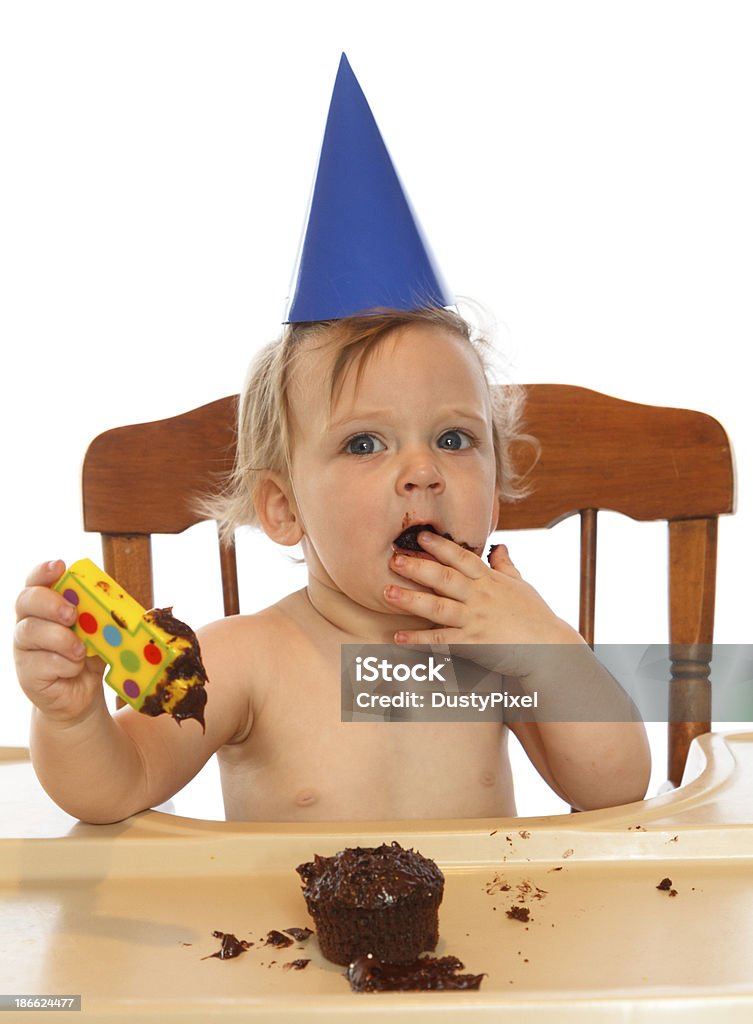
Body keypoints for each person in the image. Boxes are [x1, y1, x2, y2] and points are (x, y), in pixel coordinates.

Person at [14, 305, 651, 824]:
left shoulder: (496, 651)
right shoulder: (247, 658)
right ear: (284, 507)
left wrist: (546, 649)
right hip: (289, 965)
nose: (423, 472)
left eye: (454, 440)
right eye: (364, 443)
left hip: (483, 954)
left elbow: (615, 788)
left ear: (496, 486)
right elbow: (117, 786)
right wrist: (71, 718)